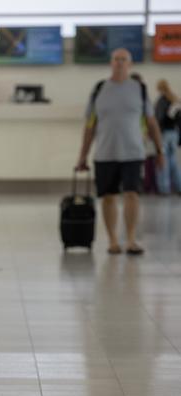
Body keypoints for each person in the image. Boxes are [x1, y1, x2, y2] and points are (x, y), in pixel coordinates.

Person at [75, 48, 164, 255]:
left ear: (130, 64)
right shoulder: (99, 90)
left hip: (133, 153)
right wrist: (82, 155)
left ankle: (131, 239)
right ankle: (113, 240)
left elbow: (152, 123)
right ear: (111, 63)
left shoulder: (139, 89)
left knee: (132, 194)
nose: (120, 63)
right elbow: (90, 126)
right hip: (105, 153)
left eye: (124, 59)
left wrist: (159, 151)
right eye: (116, 59)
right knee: (108, 196)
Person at [154, 79, 181, 195]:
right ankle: (179, 186)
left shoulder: (161, 101)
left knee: (162, 161)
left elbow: (158, 119)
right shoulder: (175, 100)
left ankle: (164, 188)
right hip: (174, 134)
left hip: (164, 134)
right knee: (173, 161)